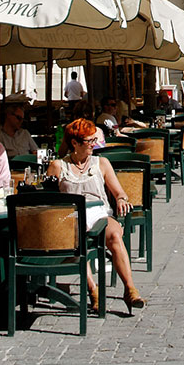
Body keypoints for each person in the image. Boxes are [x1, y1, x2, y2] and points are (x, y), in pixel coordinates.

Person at [46, 118, 145, 312]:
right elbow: (50, 200)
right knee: (78, 240)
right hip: (70, 218)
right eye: (89, 141)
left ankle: (130, 289)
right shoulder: (58, 166)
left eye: (94, 140)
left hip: (98, 212)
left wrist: (122, 199)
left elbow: (118, 192)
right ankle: (93, 290)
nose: (94, 145)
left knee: (115, 235)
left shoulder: (102, 163)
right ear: (74, 143)